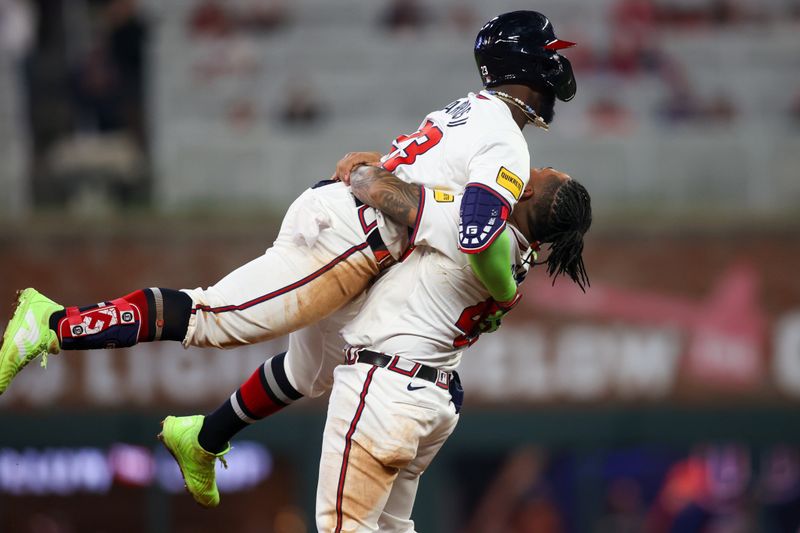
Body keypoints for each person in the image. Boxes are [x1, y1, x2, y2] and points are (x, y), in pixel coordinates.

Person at [0, 10, 578, 396]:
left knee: (319, 370)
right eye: (550, 51)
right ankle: (53, 324)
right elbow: (478, 232)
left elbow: (418, 174)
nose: (558, 63)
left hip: (351, 221)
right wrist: (505, 288)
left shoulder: (472, 108)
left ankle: (202, 438)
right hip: (351, 236)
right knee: (213, 318)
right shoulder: (504, 135)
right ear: (530, 64)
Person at [315, 164, 590, 530]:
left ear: (525, 193)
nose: (530, 169)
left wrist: (369, 165)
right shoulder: (521, 255)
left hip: (388, 386)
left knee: (342, 527)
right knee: (390, 526)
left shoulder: (473, 226)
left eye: (539, 172)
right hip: (426, 397)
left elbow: (373, 187)